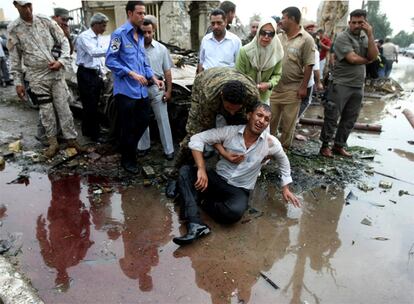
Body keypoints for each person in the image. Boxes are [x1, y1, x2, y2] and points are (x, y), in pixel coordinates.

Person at [172, 103, 300, 245]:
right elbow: (196, 138)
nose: (262, 121)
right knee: (186, 171)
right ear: (249, 115)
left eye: (266, 119)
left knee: (234, 213)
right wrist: (201, 168)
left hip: (240, 188)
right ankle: (195, 224)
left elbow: (284, 161)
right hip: (217, 179)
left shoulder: (271, 143)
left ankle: (196, 199)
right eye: (259, 115)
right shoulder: (230, 132)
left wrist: (286, 188)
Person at [165, 67, 259, 198]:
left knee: (241, 133)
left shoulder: (252, 96)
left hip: (235, 81)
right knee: (193, 135)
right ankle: (175, 175)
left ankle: (233, 173)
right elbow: (207, 132)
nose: (231, 113)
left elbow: (253, 126)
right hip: (203, 84)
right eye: (228, 108)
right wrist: (223, 152)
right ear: (221, 97)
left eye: (235, 109)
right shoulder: (209, 96)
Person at [8, 0, 83, 158]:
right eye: (24, 6)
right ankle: (52, 143)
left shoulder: (45, 20)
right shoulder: (14, 28)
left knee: (64, 109)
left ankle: (72, 140)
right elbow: (15, 58)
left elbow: (63, 41)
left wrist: (61, 61)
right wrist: (18, 83)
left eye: (30, 5)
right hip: (36, 77)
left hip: (55, 74)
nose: (28, 9)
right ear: (16, 5)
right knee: (46, 112)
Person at [105, 1, 163, 174]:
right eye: (139, 13)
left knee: (144, 121)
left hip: (141, 91)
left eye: (144, 13)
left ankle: (127, 149)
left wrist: (153, 77)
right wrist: (131, 73)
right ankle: (128, 159)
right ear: (129, 13)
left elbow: (144, 62)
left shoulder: (140, 35)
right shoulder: (119, 34)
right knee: (128, 126)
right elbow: (110, 60)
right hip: (125, 91)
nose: (142, 16)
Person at [319, 9, 378, 158]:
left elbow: (374, 54)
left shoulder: (365, 37)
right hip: (341, 83)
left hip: (358, 85)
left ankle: (339, 145)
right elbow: (352, 59)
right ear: (349, 22)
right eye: (354, 22)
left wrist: (370, 35)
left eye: (360, 22)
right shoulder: (342, 37)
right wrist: (369, 60)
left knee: (350, 118)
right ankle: (325, 146)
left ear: (365, 23)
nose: (357, 25)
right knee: (332, 116)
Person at [269, 7, 315, 150]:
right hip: (275, 87)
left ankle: (283, 151)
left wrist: (303, 87)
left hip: (293, 89)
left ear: (293, 19)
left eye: (283, 18)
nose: (281, 21)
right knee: (269, 121)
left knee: (288, 124)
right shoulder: (278, 37)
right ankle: (267, 150)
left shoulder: (306, 39)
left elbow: (309, 64)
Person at [137, 18, 175, 160]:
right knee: (142, 118)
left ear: (154, 31)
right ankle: (143, 147)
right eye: (144, 32)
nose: (146, 35)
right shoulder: (135, 48)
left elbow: (167, 72)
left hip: (157, 88)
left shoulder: (161, 49)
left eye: (149, 32)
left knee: (163, 119)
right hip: (140, 88)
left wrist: (169, 91)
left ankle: (169, 150)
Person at [75, 12, 109, 142]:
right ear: (96, 24)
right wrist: (112, 49)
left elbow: (99, 60)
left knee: (94, 104)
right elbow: (94, 53)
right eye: (103, 26)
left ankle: (88, 131)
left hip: (95, 74)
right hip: (86, 74)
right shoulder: (85, 37)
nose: (104, 29)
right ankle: (95, 135)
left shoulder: (98, 37)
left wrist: (102, 74)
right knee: (90, 105)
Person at [236, 17, 283, 104]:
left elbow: (277, 74)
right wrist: (251, 87)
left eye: (271, 34)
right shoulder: (245, 51)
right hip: (245, 96)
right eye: (263, 32)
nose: (266, 37)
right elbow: (238, 75)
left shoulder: (277, 53)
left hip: (264, 97)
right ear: (258, 32)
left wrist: (269, 84)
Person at [196, 8, 241, 74]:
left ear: (225, 22)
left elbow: (239, 65)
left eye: (219, 23)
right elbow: (201, 62)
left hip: (227, 80)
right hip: (207, 79)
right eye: (213, 23)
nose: (216, 26)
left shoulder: (235, 41)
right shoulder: (205, 40)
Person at [298, 21, 324, 118]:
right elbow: (315, 69)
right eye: (309, 28)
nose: (311, 30)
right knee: (306, 101)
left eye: (312, 28)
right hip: (306, 81)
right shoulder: (313, 49)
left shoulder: (297, 42)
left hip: (294, 80)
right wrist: (318, 82)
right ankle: (294, 120)